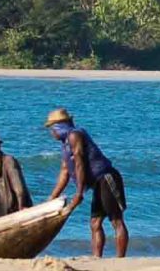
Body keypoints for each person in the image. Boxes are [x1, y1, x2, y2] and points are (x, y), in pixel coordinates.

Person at [42, 107, 129, 258]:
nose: (52, 133)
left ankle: (120, 259)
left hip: (107, 177)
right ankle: (97, 258)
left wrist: (79, 192)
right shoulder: (65, 145)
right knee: (95, 223)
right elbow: (65, 171)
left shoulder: (75, 135)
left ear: (60, 126)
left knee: (116, 220)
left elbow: (80, 163)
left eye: (52, 128)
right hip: (97, 183)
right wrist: (53, 196)